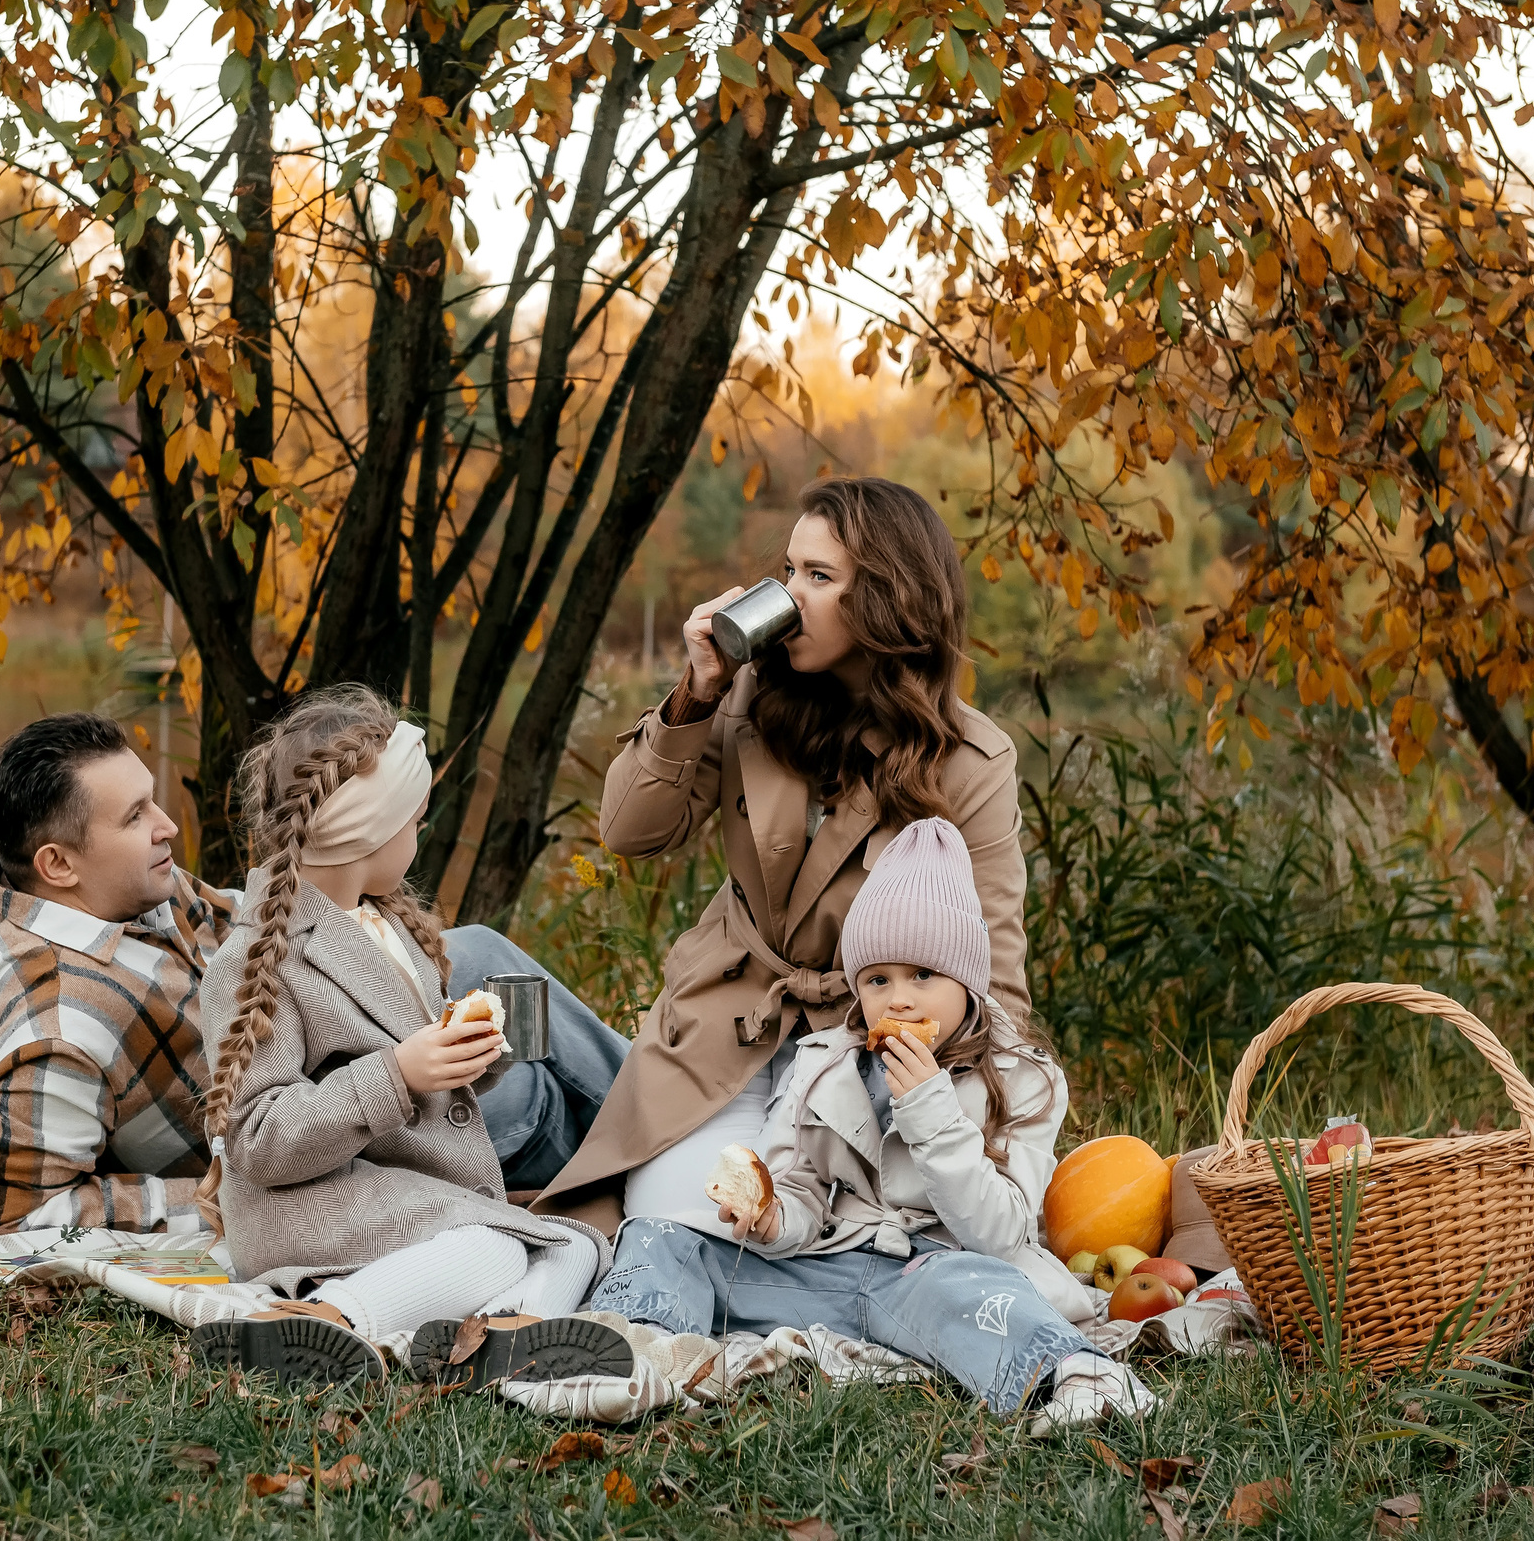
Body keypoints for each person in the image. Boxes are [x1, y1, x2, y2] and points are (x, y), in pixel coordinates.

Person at [0, 710, 628, 1253]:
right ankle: (654, 1143)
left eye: (153, 802)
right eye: (134, 817)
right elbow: (22, 1214)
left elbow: (246, 925)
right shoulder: (55, 1022)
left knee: (486, 958)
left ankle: (662, 1103)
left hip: (321, 1045)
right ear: (58, 863)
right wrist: (221, 1198)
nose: (166, 827)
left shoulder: (109, 893)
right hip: (321, 1124)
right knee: (531, 1096)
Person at [536, 475, 1031, 1235]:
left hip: (862, 1055)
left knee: (850, 1236)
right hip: (727, 1025)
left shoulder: (969, 761)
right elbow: (631, 831)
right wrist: (692, 698)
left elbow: (991, 972)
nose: (790, 594)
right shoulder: (745, 698)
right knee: (684, 1224)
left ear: (887, 599)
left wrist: (998, 1136)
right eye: (790, 570)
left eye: (820, 577)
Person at [585, 819, 1155, 1425]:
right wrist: (774, 1218)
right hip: (832, 1264)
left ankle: (1084, 1377)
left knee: (976, 1290)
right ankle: (621, 1354)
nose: (899, 999)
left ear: (967, 982)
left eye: (922, 976)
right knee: (661, 1234)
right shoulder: (821, 1063)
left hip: (937, 1271)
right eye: (878, 980)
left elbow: (1000, 1231)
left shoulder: (1023, 1077)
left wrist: (932, 1108)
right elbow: (799, 1185)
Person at [191, 688, 634, 1388]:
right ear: (367, 829)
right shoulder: (256, 962)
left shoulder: (383, 926)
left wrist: (470, 1056)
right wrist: (399, 1072)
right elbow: (259, 1138)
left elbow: (420, 1073)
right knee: (494, 1249)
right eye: (416, 823)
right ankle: (322, 1322)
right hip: (310, 1202)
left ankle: (507, 1335)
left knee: (577, 1245)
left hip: (396, 1182)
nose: (420, 838)